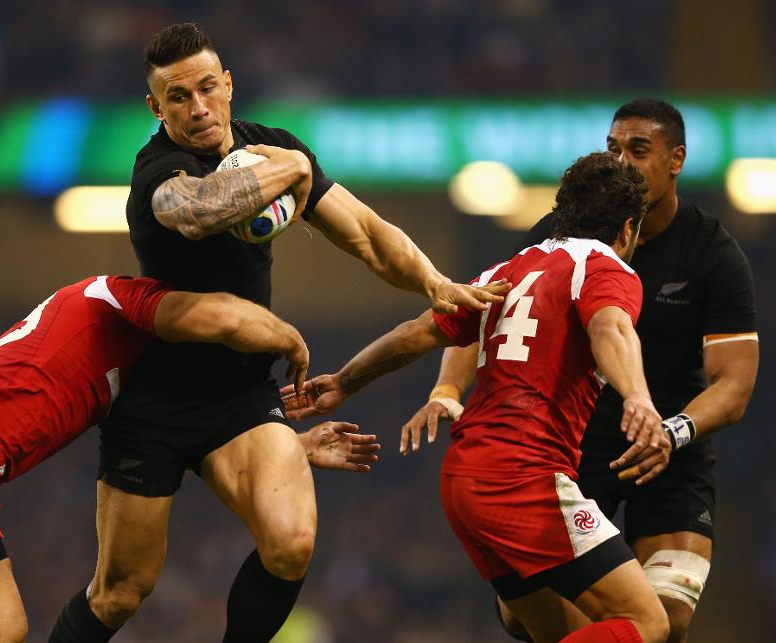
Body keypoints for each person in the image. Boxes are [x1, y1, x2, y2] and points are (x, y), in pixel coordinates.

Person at [48, 22, 508, 643]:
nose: (198, 107)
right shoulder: (160, 170)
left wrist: (434, 282)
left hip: (240, 396)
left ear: (229, 84)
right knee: (121, 593)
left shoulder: (270, 146)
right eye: (178, 97)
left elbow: (367, 234)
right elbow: (200, 211)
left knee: (291, 542)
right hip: (155, 403)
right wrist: (292, 167)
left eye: (207, 88)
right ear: (156, 108)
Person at [0, 275, 380, 642]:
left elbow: (193, 441)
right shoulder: (122, 299)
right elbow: (223, 320)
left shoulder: (134, 365)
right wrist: (288, 337)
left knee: (2, 632)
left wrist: (286, 444)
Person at [406, 99, 759, 643]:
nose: (622, 162)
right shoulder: (559, 233)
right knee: (533, 621)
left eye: (638, 150)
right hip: (575, 448)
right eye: (613, 149)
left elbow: (733, 385)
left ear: (676, 160)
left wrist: (672, 431)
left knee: (667, 619)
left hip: (669, 451)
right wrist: (448, 387)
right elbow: (487, 306)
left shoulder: (712, 253)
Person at [285, 152, 675, 642]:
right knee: (648, 623)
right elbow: (610, 327)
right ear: (628, 229)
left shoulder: (508, 269)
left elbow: (418, 332)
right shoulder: (606, 268)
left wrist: (345, 382)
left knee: (566, 632)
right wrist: (637, 396)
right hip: (524, 477)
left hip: (464, 479)